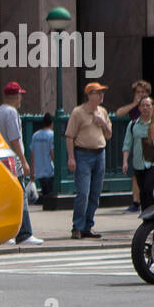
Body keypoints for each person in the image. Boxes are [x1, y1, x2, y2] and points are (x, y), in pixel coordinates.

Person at [0, 82, 42, 245]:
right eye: (21, 95)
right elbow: (15, 139)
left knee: (4, 198)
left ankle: (7, 234)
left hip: (0, 161)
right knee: (20, 196)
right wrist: (23, 160)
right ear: (17, 96)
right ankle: (24, 233)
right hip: (12, 161)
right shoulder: (11, 113)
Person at [66, 82, 113, 239]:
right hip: (83, 154)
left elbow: (109, 135)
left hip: (100, 154)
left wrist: (104, 124)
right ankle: (77, 227)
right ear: (89, 95)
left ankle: (88, 225)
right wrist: (71, 158)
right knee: (83, 193)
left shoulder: (103, 112)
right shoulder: (78, 112)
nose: (101, 95)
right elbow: (69, 136)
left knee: (95, 193)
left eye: (102, 92)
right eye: (97, 92)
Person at [121, 96, 153, 214]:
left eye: (148, 105)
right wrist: (125, 161)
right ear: (139, 108)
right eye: (142, 105)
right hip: (138, 163)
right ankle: (146, 217)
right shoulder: (133, 124)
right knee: (143, 192)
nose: (145, 108)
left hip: (152, 162)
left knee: (150, 189)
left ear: (152, 107)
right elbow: (127, 144)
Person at [30, 113, 55, 205]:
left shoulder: (35, 135)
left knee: (44, 190)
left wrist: (32, 170)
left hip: (39, 169)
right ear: (52, 123)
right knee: (49, 193)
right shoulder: (52, 135)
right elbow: (52, 153)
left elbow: (32, 153)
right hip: (49, 169)